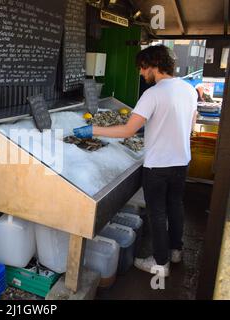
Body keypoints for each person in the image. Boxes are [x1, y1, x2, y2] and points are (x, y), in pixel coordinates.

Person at [74, 45, 198, 277]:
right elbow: (189, 126)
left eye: (143, 68)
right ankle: (175, 251)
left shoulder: (153, 93)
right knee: (175, 206)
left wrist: (92, 130)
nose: (141, 73)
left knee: (157, 213)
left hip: (158, 166)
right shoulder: (189, 90)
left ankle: (161, 264)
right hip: (182, 162)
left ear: (154, 65)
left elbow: (128, 131)